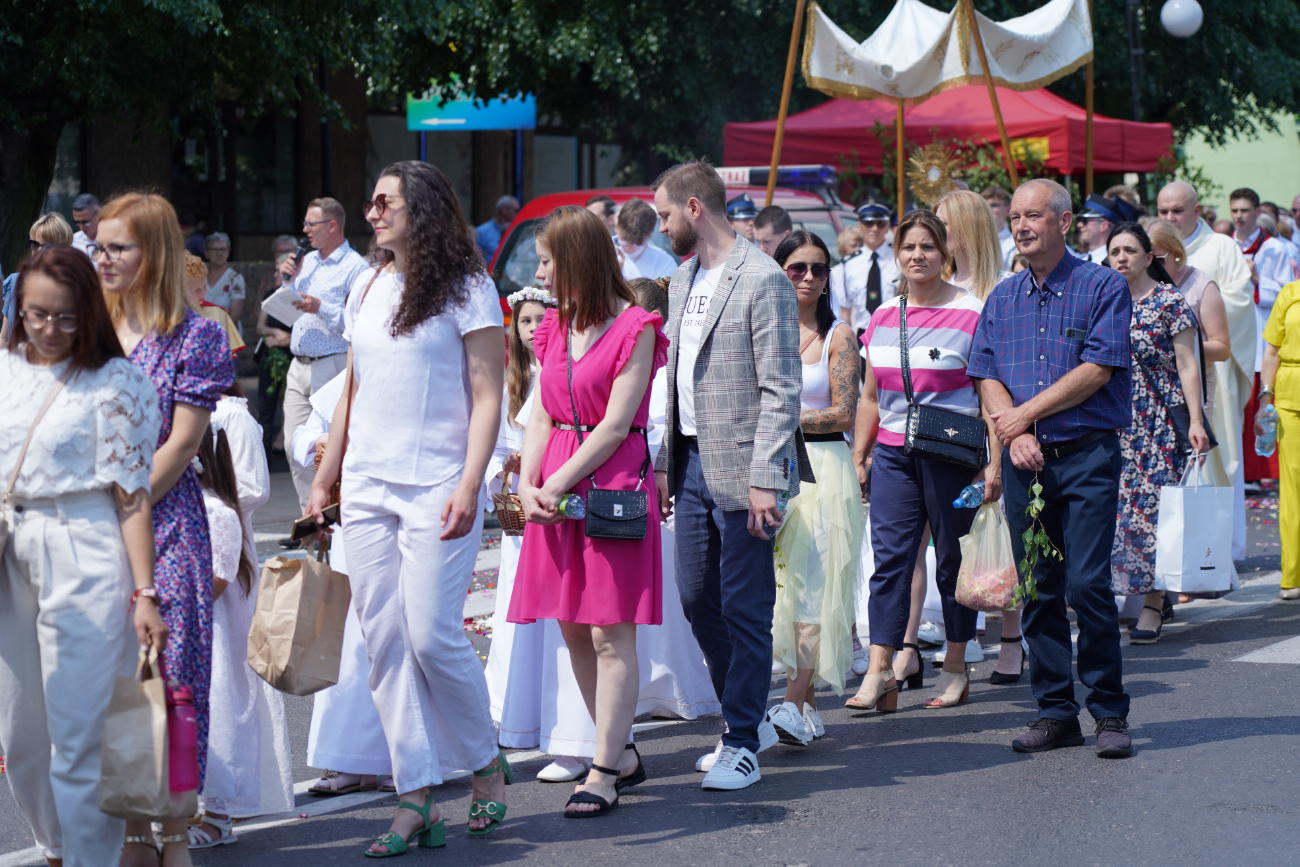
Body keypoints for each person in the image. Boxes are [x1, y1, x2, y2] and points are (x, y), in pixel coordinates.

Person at [308, 161, 509, 854]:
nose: (371, 212)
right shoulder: (366, 284)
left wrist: (469, 480)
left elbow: (490, 395)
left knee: (429, 635)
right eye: (369, 202)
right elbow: (353, 387)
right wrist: (325, 476)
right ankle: (415, 795)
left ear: (422, 209)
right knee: (383, 642)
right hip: (367, 485)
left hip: (437, 485)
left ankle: (485, 762)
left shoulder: (468, 287)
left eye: (384, 201)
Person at [0, 247, 166, 867]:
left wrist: (145, 594)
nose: (47, 329)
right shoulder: (5, 368)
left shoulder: (116, 381)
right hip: (11, 546)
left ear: (88, 314)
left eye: (65, 318)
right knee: (20, 735)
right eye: (35, 315)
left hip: (86, 545)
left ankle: (89, 858)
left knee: (79, 736)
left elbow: (131, 497)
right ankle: (60, 848)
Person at [651, 159, 809, 790]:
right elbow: (675, 379)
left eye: (664, 214)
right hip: (688, 459)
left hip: (746, 468)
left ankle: (741, 738)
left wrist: (766, 474)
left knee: (746, 606)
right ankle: (745, 720)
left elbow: (781, 386)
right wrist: (664, 460)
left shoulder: (762, 277)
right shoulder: (682, 277)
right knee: (695, 598)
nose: (659, 226)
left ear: (694, 208)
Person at [507, 206, 667, 817]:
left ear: (577, 260)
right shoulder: (553, 326)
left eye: (547, 260)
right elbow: (543, 412)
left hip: (612, 482)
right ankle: (618, 749)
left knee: (609, 629)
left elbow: (616, 425)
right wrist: (528, 480)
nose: (540, 274)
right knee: (573, 624)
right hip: (555, 480)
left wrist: (553, 482)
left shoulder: (636, 324)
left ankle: (603, 769)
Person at [968, 178, 1135, 758]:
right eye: (1014, 216)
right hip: (1024, 464)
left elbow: (1098, 369)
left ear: (1065, 223)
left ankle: (1109, 713)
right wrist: (1011, 432)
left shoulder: (1102, 286)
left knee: (1087, 585)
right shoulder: (1003, 295)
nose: (1020, 226)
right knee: (1038, 587)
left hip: (1086, 455)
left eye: (1033, 215)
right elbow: (985, 372)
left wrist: (1022, 419)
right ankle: (1056, 712)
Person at [95, 192, 235, 865]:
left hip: (166, 521)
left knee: (173, 684)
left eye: (118, 246)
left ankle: (173, 834)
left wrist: (120, 502)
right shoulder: (87, 327)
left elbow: (180, 447)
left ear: (152, 254)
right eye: (99, 244)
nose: (103, 257)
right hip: (90, 532)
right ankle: (129, 832)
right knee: (115, 681)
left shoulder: (196, 332)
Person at [850, 210, 997, 714]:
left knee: (953, 563)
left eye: (927, 247)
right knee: (889, 562)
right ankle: (879, 671)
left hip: (952, 453)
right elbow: (870, 396)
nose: (918, 256)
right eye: (908, 247)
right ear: (897, 254)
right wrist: (860, 453)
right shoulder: (884, 315)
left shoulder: (973, 311)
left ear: (945, 254)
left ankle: (955, 668)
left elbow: (989, 395)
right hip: (893, 453)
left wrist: (990, 466)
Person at [767, 231, 861, 745]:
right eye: (797, 268)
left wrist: (781, 419)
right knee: (782, 591)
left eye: (819, 269)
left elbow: (844, 413)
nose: (808, 277)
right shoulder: (767, 328)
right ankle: (802, 705)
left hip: (823, 472)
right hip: (772, 470)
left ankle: (788, 704)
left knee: (813, 592)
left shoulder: (839, 335)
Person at [189, 397, 294, 848]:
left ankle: (219, 813)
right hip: (187, 625)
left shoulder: (218, 511)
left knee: (221, 707)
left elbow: (218, 574)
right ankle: (191, 803)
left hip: (209, 626)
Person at [933, 189, 1025, 681]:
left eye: (942, 225)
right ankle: (956, 640)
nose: (935, 234)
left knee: (1001, 531)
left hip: (995, 421)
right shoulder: (936, 284)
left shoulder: (1001, 288)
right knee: (951, 543)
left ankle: (1012, 638)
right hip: (945, 431)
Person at [1105, 222, 1211, 642]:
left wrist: (1197, 421)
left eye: (1130, 250)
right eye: (1115, 252)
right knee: (1111, 513)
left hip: (1158, 424)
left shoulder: (1169, 301)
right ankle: (1113, 596)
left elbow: (1188, 365)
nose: (1122, 259)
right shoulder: (1101, 301)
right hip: (1110, 421)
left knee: (1153, 515)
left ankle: (1152, 603)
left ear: (1149, 257)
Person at [290, 372, 393, 796]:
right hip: (352, 512)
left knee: (394, 633)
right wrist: (317, 447)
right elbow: (304, 436)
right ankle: (349, 758)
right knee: (348, 638)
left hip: (401, 508)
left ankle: (402, 756)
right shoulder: (346, 377)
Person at [1157, 181, 1256, 562]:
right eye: (1164, 211)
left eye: (1177, 211)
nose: (1169, 218)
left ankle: (1221, 553)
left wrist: (1185, 324)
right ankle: (1178, 554)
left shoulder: (1221, 247)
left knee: (1220, 454)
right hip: (1165, 375)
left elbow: (1239, 302)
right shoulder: (1154, 248)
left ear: (1197, 211)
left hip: (1213, 371)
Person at [485, 286, 558, 761]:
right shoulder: (508, 379)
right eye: (525, 322)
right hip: (517, 509)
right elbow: (490, 445)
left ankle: (553, 711)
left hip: (551, 497)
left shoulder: (559, 371)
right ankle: (514, 709)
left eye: (539, 320)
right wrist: (505, 468)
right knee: (517, 610)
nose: (532, 330)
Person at [278, 197, 369, 511]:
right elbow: (288, 303)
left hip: (331, 364)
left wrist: (321, 308)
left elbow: (359, 321)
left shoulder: (356, 267)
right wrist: (287, 278)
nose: (304, 230)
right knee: (294, 446)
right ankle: (311, 517)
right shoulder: (309, 261)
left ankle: (335, 514)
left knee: (327, 446)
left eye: (310, 224)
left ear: (332, 225)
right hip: (298, 364)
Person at [1230, 187, 1291, 483]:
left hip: (1262, 335)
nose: (1239, 217)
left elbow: (1287, 295)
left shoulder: (1274, 249)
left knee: (1260, 404)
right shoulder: (1226, 246)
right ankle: (1240, 472)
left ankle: (1262, 473)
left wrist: (1256, 278)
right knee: (1236, 409)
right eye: (1235, 211)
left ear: (1257, 213)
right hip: (1233, 336)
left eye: (1244, 210)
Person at [1148, 219, 1232, 422]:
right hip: (1150, 386)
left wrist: (1179, 348)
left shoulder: (1202, 285)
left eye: (1159, 260)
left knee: (1191, 452)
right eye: (1146, 259)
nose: (1151, 267)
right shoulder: (1142, 285)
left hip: (1194, 387)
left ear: (1177, 253)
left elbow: (1222, 349)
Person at [1256, 275, 1300, 600]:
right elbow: (1271, 352)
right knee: (1293, 488)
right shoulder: (1290, 292)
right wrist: (1265, 399)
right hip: (1290, 399)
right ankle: (1293, 574)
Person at [254, 236, 298, 454]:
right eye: (277, 271)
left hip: (293, 356)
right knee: (265, 408)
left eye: (282, 272)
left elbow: (306, 329)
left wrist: (286, 339)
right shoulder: (271, 295)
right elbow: (260, 327)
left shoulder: (300, 298)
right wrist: (274, 332)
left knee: (292, 405)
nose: (277, 275)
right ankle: (264, 456)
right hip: (270, 355)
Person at [3, 213, 76, 342]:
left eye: (48, 246)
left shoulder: (76, 286)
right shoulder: (15, 281)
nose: (39, 251)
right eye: (35, 244)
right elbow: (4, 338)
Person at [835, 203, 901, 334]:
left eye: (880, 223)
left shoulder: (899, 260)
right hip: (861, 333)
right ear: (860, 227)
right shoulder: (848, 264)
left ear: (887, 226)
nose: (875, 228)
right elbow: (845, 311)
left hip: (894, 332)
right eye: (868, 224)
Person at [186, 253, 244, 355]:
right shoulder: (164, 313)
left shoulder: (219, 315)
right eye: (196, 290)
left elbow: (225, 361)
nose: (203, 293)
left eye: (204, 286)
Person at [616, 198, 677, 280]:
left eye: (636, 243)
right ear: (617, 227)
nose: (628, 247)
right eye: (624, 239)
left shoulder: (664, 262)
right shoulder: (606, 254)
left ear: (649, 235)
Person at [1075, 194, 1139, 264]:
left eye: (1085, 221)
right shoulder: (1081, 260)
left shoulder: (1114, 263)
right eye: (1080, 220)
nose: (1079, 225)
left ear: (1104, 226)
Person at [202, 232, 245, 322]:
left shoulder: (235, 279)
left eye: (223, 249)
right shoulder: (198, 277)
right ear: (206, 253)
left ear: (228, 252)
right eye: (215, 249)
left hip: (224, 331)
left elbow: (235, 316)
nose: (219, 253)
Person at [476, 195, 521, 263]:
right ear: (504, 210)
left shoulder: (519, 230)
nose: (518, 213)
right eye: (516, 210)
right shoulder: (481, 232)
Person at [982, 186, 1017, 268]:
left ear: (1008, 210)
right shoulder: (973, 241)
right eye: (984, 206)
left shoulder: (1015, 244)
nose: (988, 209)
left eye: (994, 205)